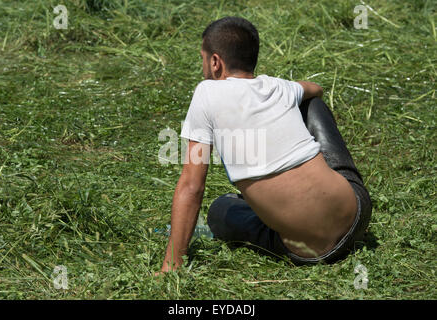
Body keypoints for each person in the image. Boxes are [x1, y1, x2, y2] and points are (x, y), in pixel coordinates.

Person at [158, 16, 372, 273]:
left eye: (202, 59)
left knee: (219, 211)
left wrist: (172, 264)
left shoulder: (206, 92)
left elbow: (192, 186)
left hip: (309, 252)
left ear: (215, 62)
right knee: (311, 103)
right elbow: (316, 88)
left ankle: (272, 208)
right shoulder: (278, 87)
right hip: (357, 215)